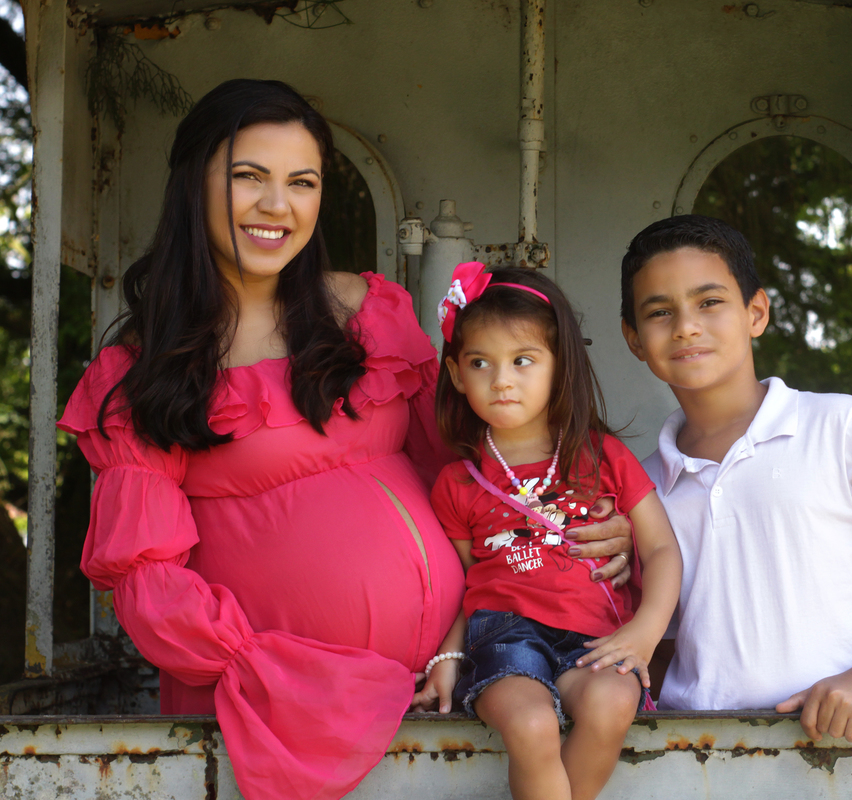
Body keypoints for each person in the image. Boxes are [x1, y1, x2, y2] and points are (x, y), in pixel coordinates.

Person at [57, 79, 631, 800]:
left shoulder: (367, 310)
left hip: (459, 680)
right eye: (247, 177)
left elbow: (469, 465)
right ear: (190, 184)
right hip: (291, 711)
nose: (277, 205)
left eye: (303, 181)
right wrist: (280, 672)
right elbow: (147, 580)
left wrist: (572, 515)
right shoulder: (146, 369)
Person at [619, 214, 852, 743]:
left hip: (837, 747)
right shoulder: (640, 486)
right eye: (659, 312)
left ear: (756, 312)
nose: (685, 326)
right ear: (634, 339)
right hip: (691, 745)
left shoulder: (837, 425)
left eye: (709, 302)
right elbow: (666, 636)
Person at [415, 263, 682, 800]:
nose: (502, 379)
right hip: (506, 638)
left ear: (560, 367)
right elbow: (471, 589)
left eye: (522, 360)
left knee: (611, 706)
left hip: (598, 636)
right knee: (533, 727)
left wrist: (646, 631)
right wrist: (446, 660)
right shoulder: (457, 481)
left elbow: (661, 548)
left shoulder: (603, 455)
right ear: (455, 373)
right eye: (480, 363)